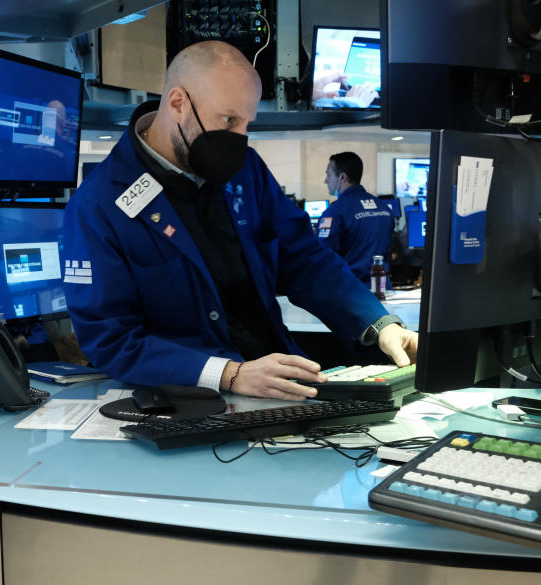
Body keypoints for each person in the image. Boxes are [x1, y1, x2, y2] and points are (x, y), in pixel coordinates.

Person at [62, 41, 417, 401]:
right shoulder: (99, 206)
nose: (240, 139)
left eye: (247, 123)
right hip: (190, 400)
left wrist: (378, 323)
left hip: (282, 385)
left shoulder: (246, 172)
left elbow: (305, 258)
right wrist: (229, 374)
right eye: (229, 120)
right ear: (178, 104)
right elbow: (111, 340)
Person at [318, 152, 394, 283]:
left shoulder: (334, 212)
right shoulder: (384, 208)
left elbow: (323, 258)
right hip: (381, 289)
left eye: (328, 174)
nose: (325, 180)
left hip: (352, 293)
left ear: (342, 177)